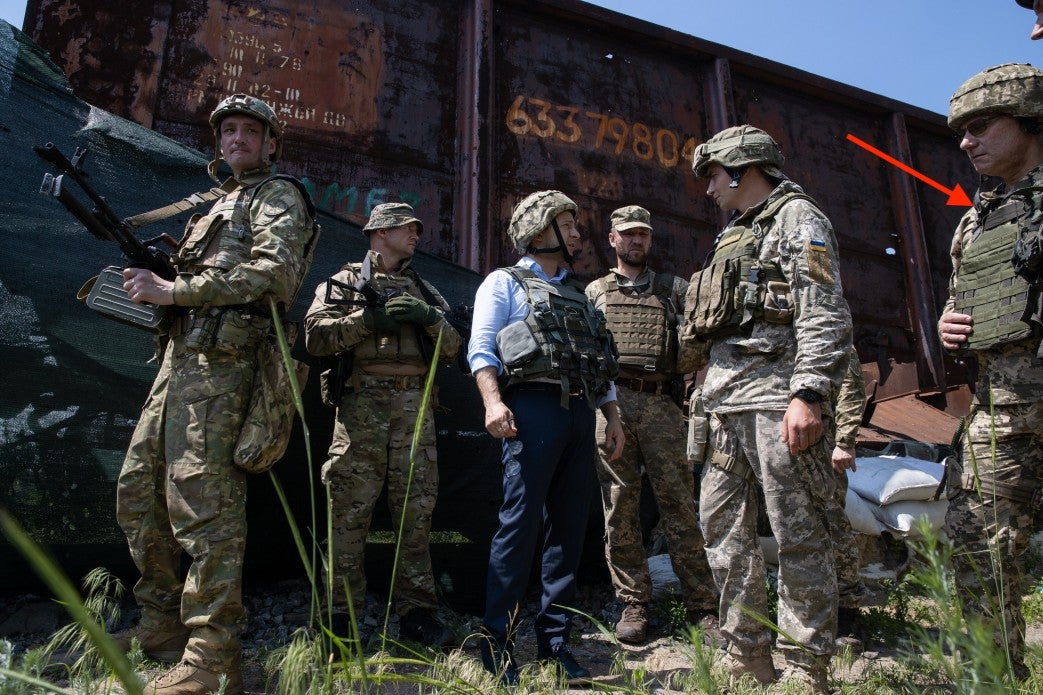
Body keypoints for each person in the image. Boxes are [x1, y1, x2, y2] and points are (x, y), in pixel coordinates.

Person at [113, 94, 317, 695]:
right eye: (227, 130)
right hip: (179, 362)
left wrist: (176, 292)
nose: (236, 139)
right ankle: (160, 626)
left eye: (249, 131)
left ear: (271, 142)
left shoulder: (278, 196)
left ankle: (213, 654)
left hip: (227, 370)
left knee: (206, 508)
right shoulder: (214, 204)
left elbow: (274, 275)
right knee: (138, 492)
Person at [681, 125, 852, 691]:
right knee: (721, 531)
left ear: (740, 169)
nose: (707, 188)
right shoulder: (734, 233)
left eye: (712, 175)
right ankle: (746, 655)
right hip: (725, 404)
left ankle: (805, 669)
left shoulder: (799, 219)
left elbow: (824, 311)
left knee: (797, 533)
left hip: (777, 401)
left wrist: (808, 394)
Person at [467, 190, 624, 685]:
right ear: (539, 231)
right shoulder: (503, 283)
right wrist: (493, 402)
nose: (577, 232)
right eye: (567, 223)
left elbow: (600, 361)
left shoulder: (580, 295)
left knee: (569, 530)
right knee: (519, 527)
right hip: (530, 410)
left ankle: (556, 647)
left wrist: (612, 416)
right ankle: (499, 645)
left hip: (579, 412)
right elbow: (481, 347)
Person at [303, 202, 461, 647]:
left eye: (415, 229)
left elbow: (453, 350)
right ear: (378, 234)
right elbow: (314, 337)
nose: (415, 236)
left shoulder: (425, 291)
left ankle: (417, 614)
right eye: (405, 229)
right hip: (360, 411)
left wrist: (430, 320)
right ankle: (340, 620)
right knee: (347, 516)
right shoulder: (346, 281)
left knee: (416, 516)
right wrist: (367, 320)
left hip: (415, 412)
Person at [938, 62, 1043, 673]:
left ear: (1027, 121)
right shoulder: (974, 220)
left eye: (980, 126)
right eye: (961, 131)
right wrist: (951, 321)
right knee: (977, 549)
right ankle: (992, 679)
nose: (965, 142)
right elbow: (962, 300)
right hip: (1002, 405)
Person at [584, 205, 718, 644]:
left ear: (650, 240)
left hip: (663, 405)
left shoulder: (673, 289)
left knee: (680, 504)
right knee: (620, 508)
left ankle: (703, 606)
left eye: (643, 234)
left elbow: (702, 337)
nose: (636, 241)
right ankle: (633, 604)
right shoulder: (596, 292)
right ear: (613, 239)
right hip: (612, 404)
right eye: (628, 234)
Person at [828, 346, 869, 651]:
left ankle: (848, 612)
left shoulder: (823, 318)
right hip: (772, 443)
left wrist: (845, 441)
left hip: (821, 445)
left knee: (833, 527)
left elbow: (851, 385)